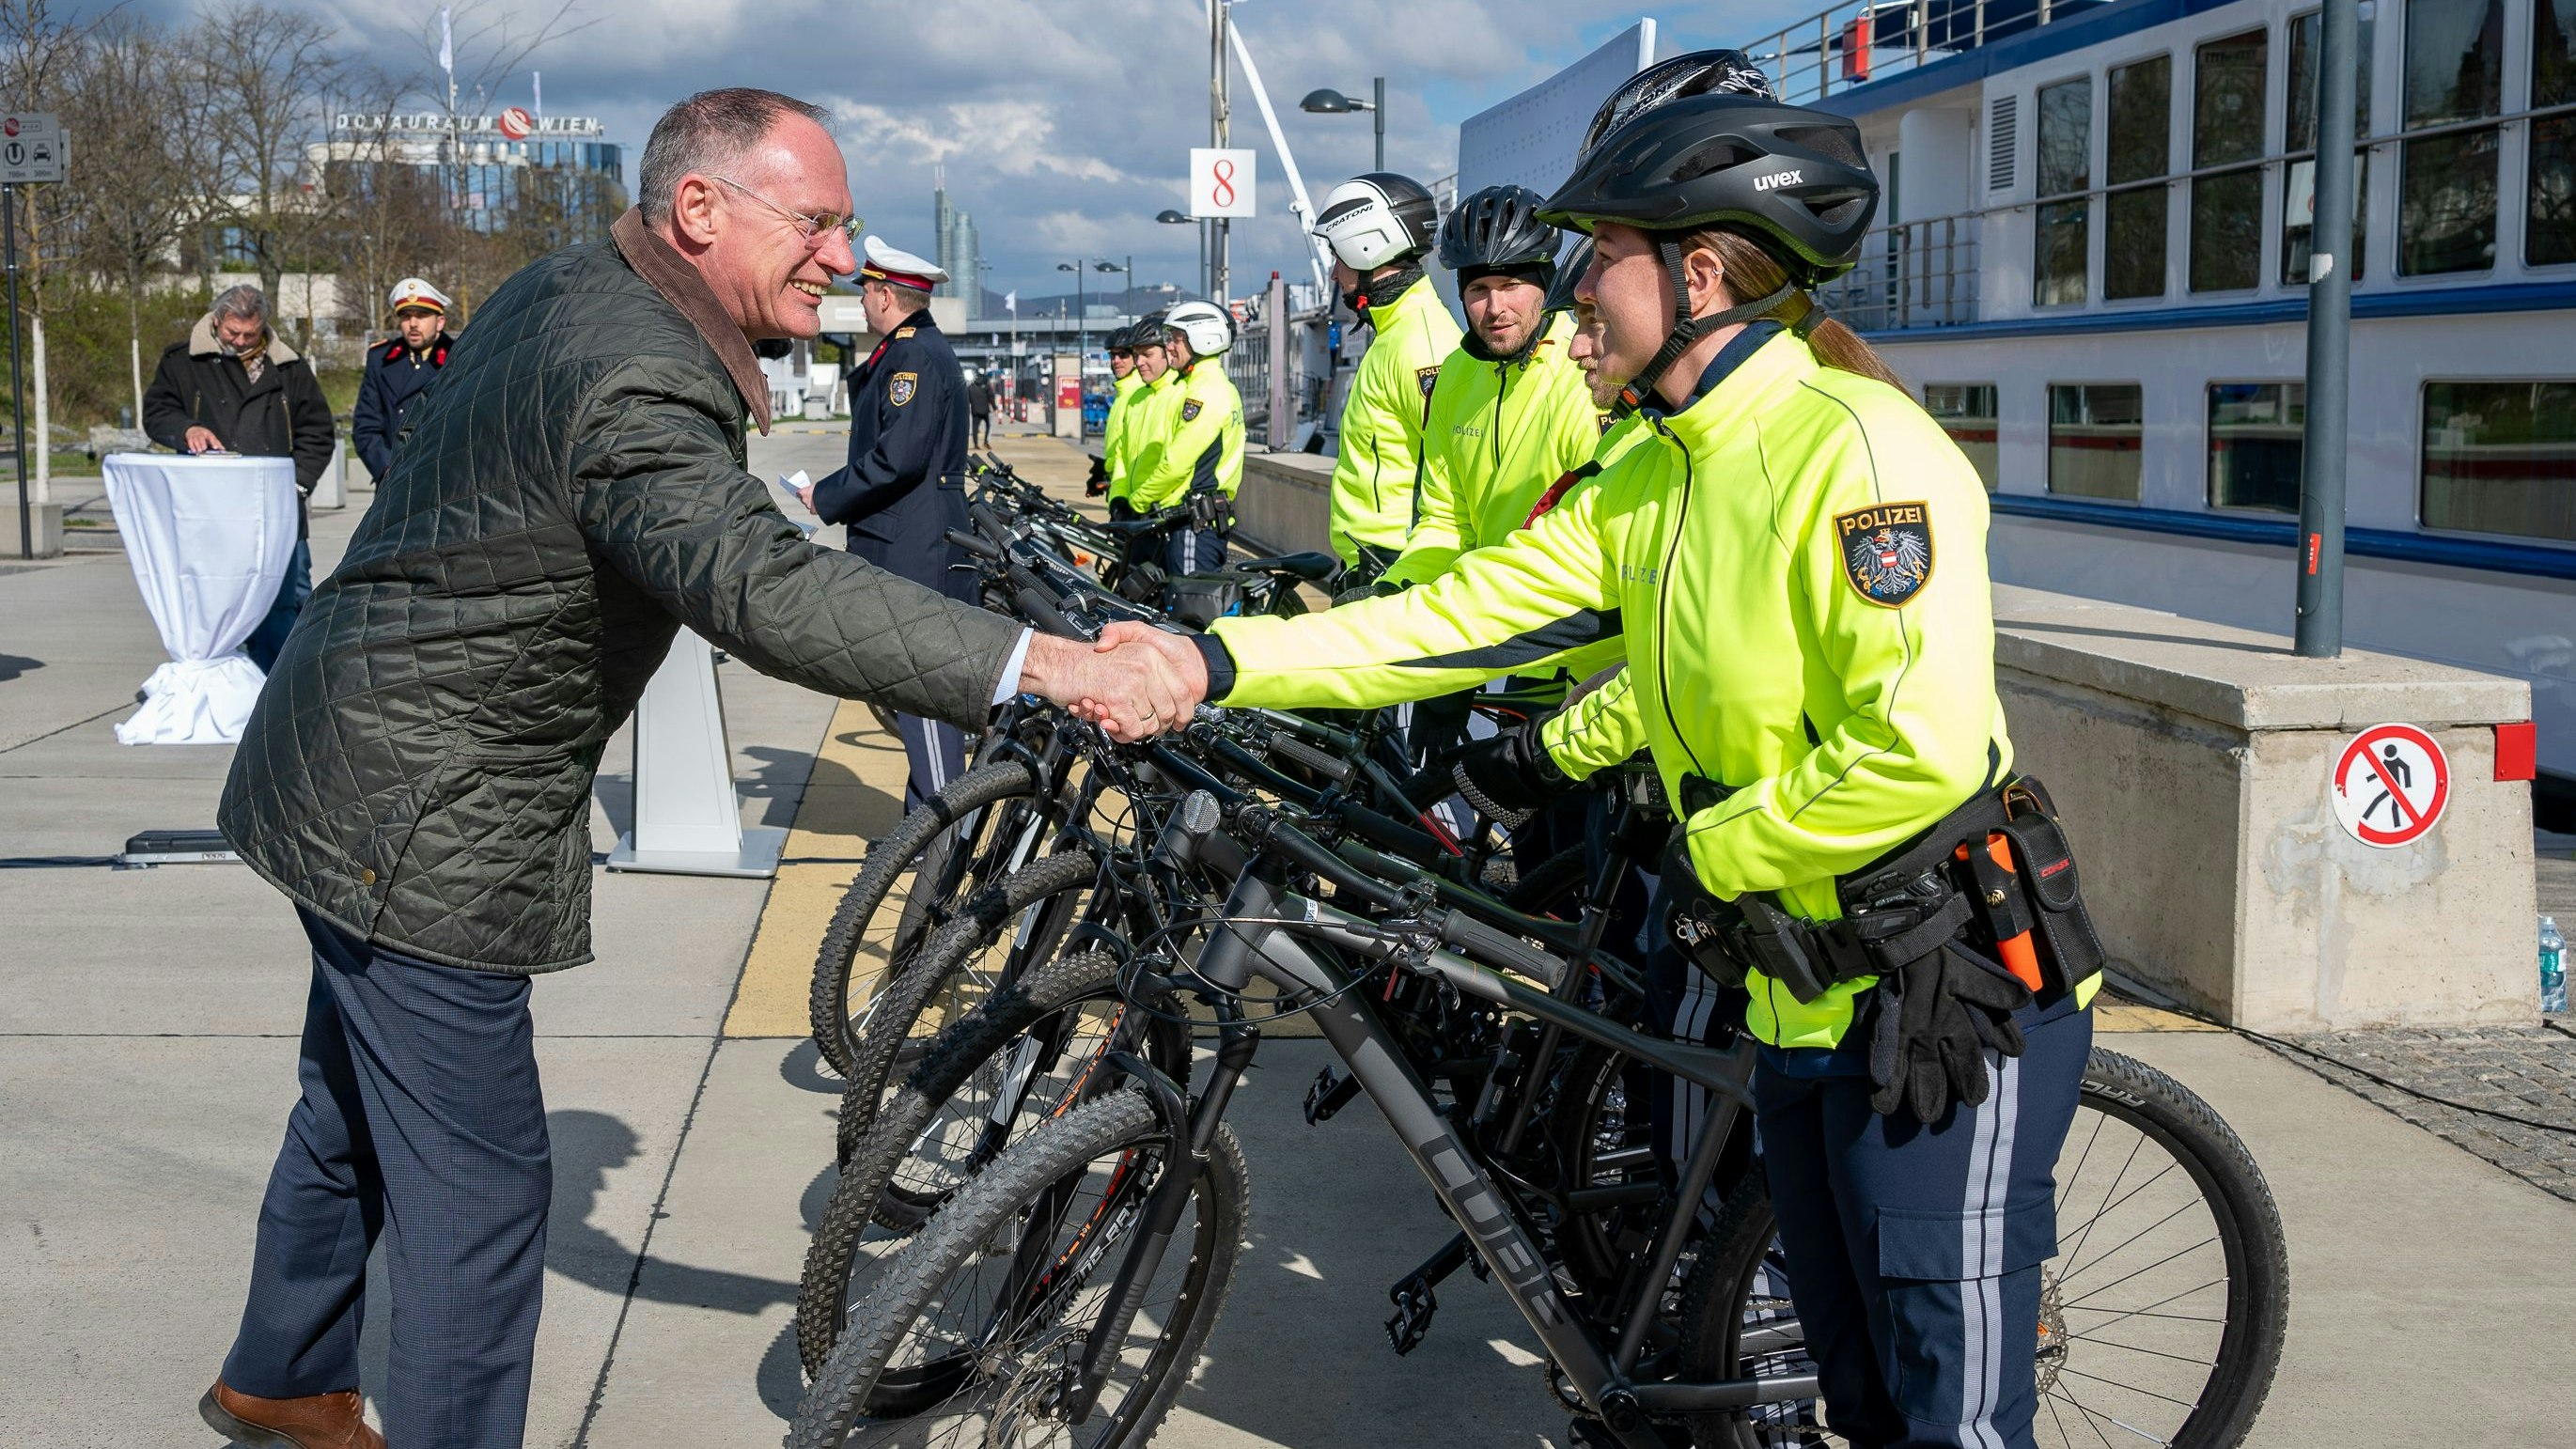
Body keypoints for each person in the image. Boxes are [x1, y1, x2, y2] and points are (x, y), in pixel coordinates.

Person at [1101, 70, 2100, 1449]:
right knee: (1854, 1392)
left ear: (1697, 273)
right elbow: (1459, 614)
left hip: (1942, 999)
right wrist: (1209, 664)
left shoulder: (1862, 453)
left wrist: (1715, 852)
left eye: (1598, 271)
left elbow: (1915, 754)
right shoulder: (1662, 469)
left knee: (1955, 1416)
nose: (1574, 307)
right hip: (1803, 998)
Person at [199, 87, 1182, 1449]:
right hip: (423, 802)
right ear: (700, 208)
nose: (843, 259)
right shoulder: (638, 362)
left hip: (351, 751)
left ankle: (282, 1374)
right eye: (820, 223)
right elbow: (763, 588)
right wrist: (1053, 665)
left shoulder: (570, 281)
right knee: (480, 1187)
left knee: (353, 1098)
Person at [795, 234, 976, 816]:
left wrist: (823, 496)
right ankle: (923, 825)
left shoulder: (912, 356)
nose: (863, 303)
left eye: (867, 291)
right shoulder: (914, 350)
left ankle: (938, 829)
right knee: (921, 689)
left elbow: (898, 458)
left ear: (883, 296)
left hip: (912, 540)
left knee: (920, 687)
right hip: (918, 534)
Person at [141, 284, 335, 675]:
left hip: (278, 511)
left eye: (251, 334)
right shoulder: (183, 362)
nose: (242, 341)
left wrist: (298, 485)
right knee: (217, 597)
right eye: (233, 333)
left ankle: (283, 685)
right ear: (217, 321)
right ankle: (226, 679)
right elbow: (157, 411)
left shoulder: (290, 368)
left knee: (289, 596)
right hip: (211, 511)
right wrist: (186, 429)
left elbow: (317, 432)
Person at [1310, 172, 1460, 575]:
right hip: (1372, 559)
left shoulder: (1420, 342)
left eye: (1337, 257)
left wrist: (1403, 580)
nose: (1333, 273)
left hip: (1396, 566)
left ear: (1366, 247)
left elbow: (1451, 471)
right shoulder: (1396, 331)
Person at [1118, 302, 1243, 576]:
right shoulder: (1213, 386)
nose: (1170, 346)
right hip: (1197, 520)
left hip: (1194, 524)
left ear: (1202, 338)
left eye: (1176, 338)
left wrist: (1137, 502)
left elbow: (1176, 463)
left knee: (1188, 612)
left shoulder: (1203, 393)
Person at [351, 276, 455, 484]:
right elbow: (366, 424)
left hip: (443, 478)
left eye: (422, 315)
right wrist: (386, 468)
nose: (413, 324)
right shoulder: (381, 359)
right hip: (393, 479)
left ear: (440, 321)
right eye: (406, 316)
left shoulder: (457, 357)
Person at [1108, 310, 1176, 521]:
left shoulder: (1180, 394)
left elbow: (1177, 462)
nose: (1139, 362)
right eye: (1136, 355)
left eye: (1147, 355)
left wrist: (1140, 502)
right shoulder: (1136, 397)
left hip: (1160, 510)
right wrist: (1118, 497)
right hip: (1133, 505)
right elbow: (1122, 453)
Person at [1087, 322, 1140, 497]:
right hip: (1118, 483)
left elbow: (1131, 450)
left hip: (1131, 492)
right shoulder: (1122, 393)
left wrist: (1106, 466)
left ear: (1136, 357)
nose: (1116, 361)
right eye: (1113, 355)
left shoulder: (1138, 394)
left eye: (1123, 355)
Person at [967, 367, 996, 448]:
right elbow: (991, 397)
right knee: (988, 425)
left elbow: (967, 399)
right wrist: (995, 408)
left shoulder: (971, 386)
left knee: (975, 427)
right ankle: (986, 442)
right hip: (985, 410)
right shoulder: (987, 386)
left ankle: (976, 444)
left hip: (975, 410)